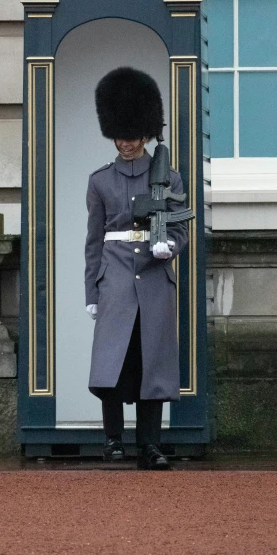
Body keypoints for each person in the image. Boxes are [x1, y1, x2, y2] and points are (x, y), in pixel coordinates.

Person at [84, 67, 189, 470]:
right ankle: (112, 439)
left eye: (131, 135)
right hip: (115, 279)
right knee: (113, 360)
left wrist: (168, 247)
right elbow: (94, 241)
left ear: (145, 134)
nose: (125, 143)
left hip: (155, 279)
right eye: (120, 135)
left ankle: (150, 445)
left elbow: (179, 225)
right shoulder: (100, 182)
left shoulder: (168, 177)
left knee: (153, 364)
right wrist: (92, 292)